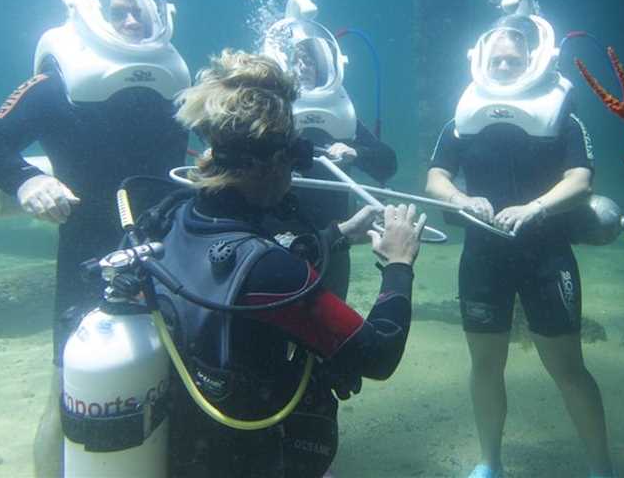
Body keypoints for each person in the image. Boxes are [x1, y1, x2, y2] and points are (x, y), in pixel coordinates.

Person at [0, 0, 190, 478]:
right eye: (119, 11)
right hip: (88, 256)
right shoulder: (54, 83)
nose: (133, 20)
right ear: (89, 11)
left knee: (175, 390)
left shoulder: (174, 85)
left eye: (140, 9)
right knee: (69, 395)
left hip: (172, 257)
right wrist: (25, 180)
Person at [153, 49, 424, 477]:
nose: (296, 172)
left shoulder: (177, 217)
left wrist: (336, 235)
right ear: (273, 162)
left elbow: (247, 271)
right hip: (254, 459)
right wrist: (399, 264)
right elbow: (378, 354)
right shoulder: (270, 270)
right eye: (296, 156)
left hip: (190, 448)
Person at [425, 0, 614, 478]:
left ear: (533, 60)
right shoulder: (461, 121)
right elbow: (435, 178)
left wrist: (534, 208)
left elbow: (581, 180)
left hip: (546, 255)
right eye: (498, 60)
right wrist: (463, 200)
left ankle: (601, 469)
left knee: (567, 369)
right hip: (482, 255)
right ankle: (490, 462)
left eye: (513, 59)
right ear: (483, 61)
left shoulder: (564, 117)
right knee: (485, 366)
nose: (505, 67)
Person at [263, 0, 397, 300]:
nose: (303, 66)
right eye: (295, 58)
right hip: (274, 238)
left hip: (335, 238)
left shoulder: (340, 115)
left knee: (329, 330)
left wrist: (356, 153)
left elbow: (388, 163)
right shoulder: (262, 113)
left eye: (310, 59)